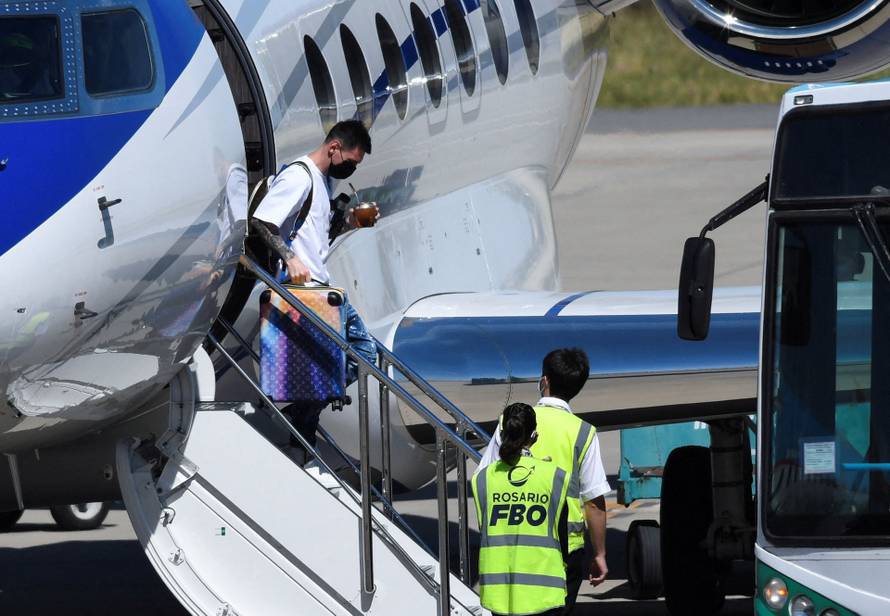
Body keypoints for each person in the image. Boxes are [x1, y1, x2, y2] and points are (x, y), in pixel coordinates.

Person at [251, 120, 377, 476]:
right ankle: (299, 420)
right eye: (349, 160)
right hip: (303, 293)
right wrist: (289, 259)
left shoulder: (321, 183)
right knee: (364, 352)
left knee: (323, 373)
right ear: (334, 147)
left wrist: (351, 222)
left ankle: (301, 432)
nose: (349, 168)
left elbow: (313, 236)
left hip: (321, 289)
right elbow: (262, 221)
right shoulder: (300, 176)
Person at [478, 348, 609, 613]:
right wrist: (600, 554)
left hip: (509, 542)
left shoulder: (510, 420)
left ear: (544, 381)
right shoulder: (582, 432)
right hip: (563, 548)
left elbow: (485, 479)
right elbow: (593, 502)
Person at [472, 403, 569, 616]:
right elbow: (562, 538)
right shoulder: (554, 477)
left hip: (500, 595)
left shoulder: (482, 479)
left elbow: (486, 530)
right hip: (544, 593)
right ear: (534, 436)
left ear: (503, 433)